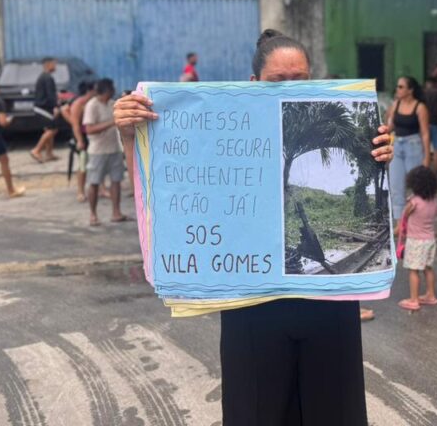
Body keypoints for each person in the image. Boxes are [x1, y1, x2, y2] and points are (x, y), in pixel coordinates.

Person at [113, 28, 394, 425]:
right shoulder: (222, 133)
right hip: (253, 308)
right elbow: (163, 194)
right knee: (256, 412)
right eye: (278, 80)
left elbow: (366, 182)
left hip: (328, 309)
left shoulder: (328, 123)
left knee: (335, 411)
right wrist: (131, 137)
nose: (290, 88)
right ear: (253, 83)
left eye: (300, 79)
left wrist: (380, 152)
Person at [386, 76, 431, 221]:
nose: (397, 89)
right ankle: (400, 224)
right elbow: (390, 126)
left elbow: (425, 133)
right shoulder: (396, 104)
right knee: (396, 186)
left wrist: (427, 157)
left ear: (410, 90)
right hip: (397, 146)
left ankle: (417, 221)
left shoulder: (420, 107)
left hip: (414, 145)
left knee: (416, 186)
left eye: (401, 87)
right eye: (397, 86)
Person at [397, 166, 437, 311]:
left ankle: (414, 300)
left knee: (413, 270)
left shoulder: (414, 202)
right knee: (428, 268)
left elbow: (405, 215)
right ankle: (431, 295)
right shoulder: (433, 201)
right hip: (430, 240)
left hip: (416, 241)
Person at [83, 78, 127, 226]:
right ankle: (93, 214)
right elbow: (89, 129)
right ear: (107, 90)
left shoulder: (111, 104)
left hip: (113, 148)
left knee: (116, 180)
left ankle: (116, 212)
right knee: (94, 182)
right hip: (98, 151)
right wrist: (110, 124)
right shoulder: (92, 106)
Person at [61, 80, 97, 202]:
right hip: (82, 136)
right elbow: (75, 125)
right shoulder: (79, 103)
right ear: (90, 90)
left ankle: (101, 188)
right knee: (83, 165)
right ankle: (80, 191)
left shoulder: (94, 102)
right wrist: (80, 140)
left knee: (98, 163)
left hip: (94, 136)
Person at [30, 57, 60, 163]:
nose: (55, 66)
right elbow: (50, 94)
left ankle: (49, 153)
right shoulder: (47, 78)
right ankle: (36, 150)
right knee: (52, 130)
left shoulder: (44, 77)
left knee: (49, 129)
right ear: (48, 64)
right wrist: (55, 106)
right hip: (43, 108)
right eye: (54, 64)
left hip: (43, 107)